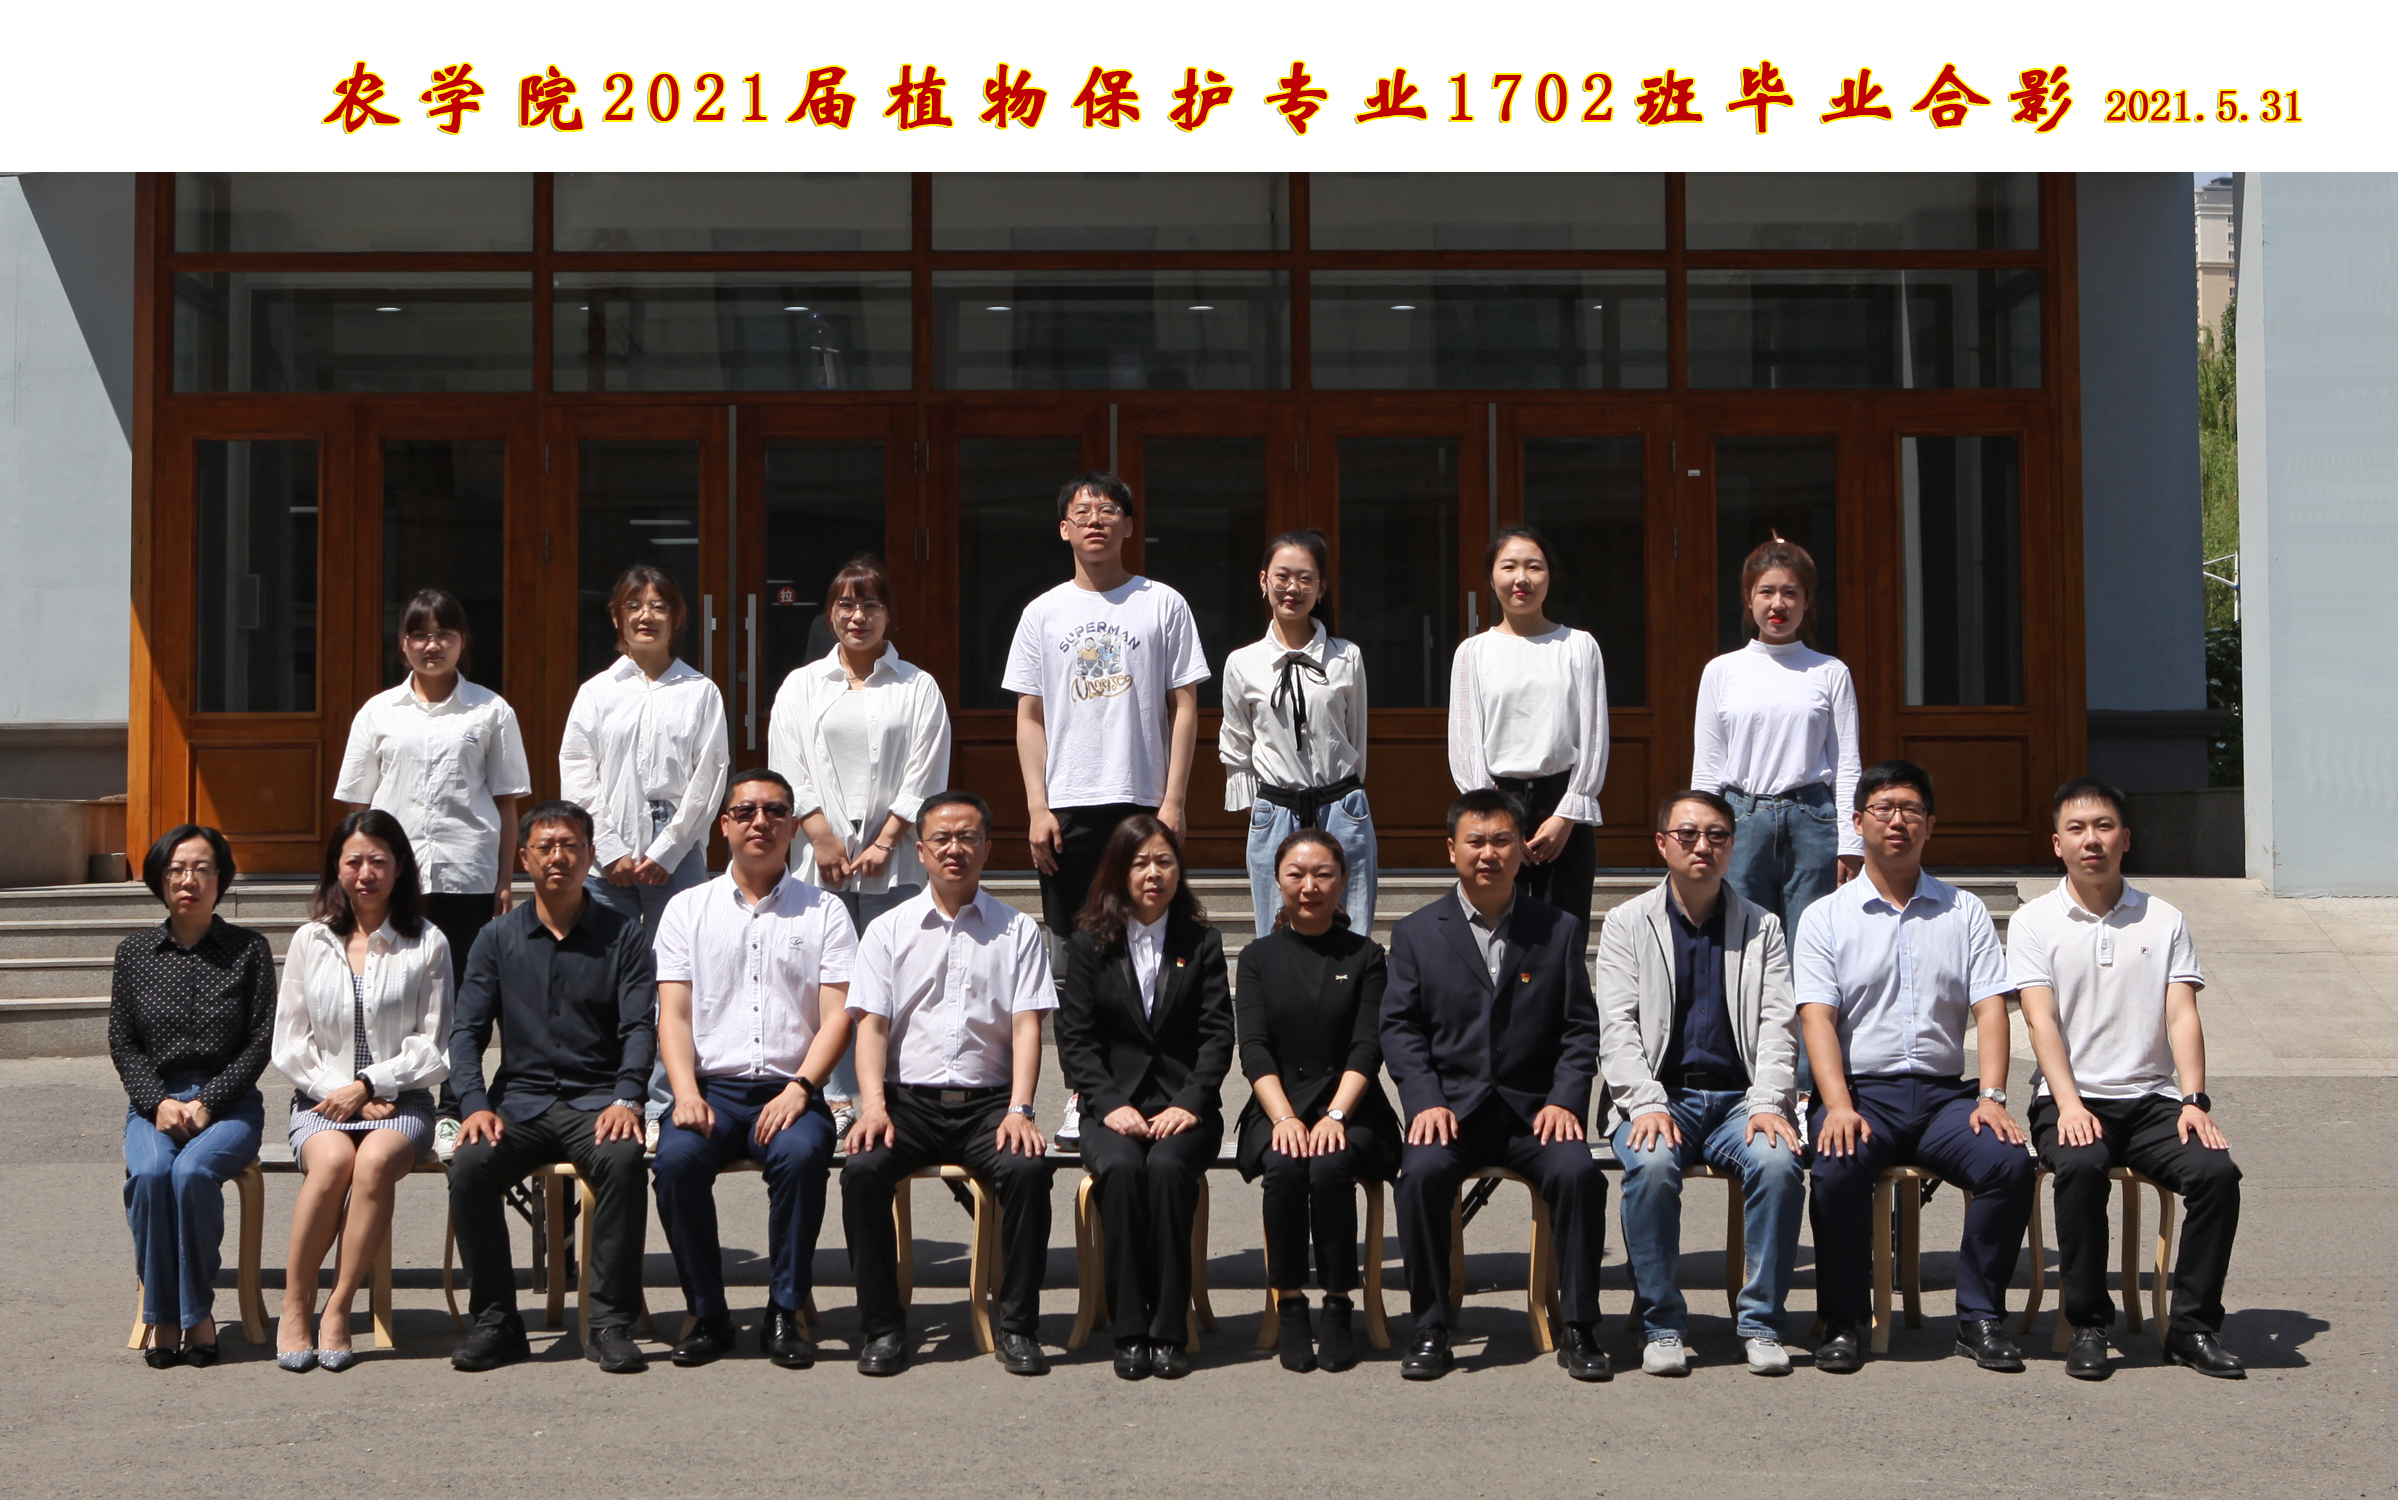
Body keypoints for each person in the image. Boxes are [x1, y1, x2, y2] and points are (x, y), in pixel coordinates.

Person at [1798, 759, 2034, 1375]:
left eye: (1910, 809)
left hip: (1943, 1100)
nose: (1896, 821)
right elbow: (1816, 1018)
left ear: (1931, 824)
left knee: (2009, 1163)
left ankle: (1979, 1318)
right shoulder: (1826, 916)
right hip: (1861, 1095)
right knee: (1836, 1167)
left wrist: (1992, 1096)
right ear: (1857, 823)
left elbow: (1991, 1009)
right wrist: (1837, 1104)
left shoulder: (1964, 911)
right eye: (1883, 809)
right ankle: (1844, 1319)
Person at [2011, 778, 2245, 1379]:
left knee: (2217, 1175)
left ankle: (2192, 1329)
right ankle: (2088, 1324)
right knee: (2081, 1166)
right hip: (2068, 1098)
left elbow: (2181, 1013)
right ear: (2057, 844)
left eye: (2104, 826)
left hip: (2151, 1100)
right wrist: (2068, 1104)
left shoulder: (2163, 918)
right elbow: (2040, 1021)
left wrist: (2194, 1100)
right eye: (2076, 829)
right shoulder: (2034, 921)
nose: (2091, 840)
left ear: (2126, 838)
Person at [1006, 470, 1209, 1145]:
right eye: (1082, 510)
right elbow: (1029, 715)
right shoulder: (1042, 613)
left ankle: (1155, 1084)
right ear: (1064, 528)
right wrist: (1037, 806)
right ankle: (1083, 1092)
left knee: (1149, 946)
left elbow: (1185, 706)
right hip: (1067, 805)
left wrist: (1174, 799)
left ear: (1128, 525)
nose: (1096, 519)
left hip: (1141, 800)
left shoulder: (1162, 604)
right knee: (1074, 957)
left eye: (1109, 509)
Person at [1381, 788, 1611, 1383]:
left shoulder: (1557, 929)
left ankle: (1580, 1328)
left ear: (1521, 849)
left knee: (1579, 1175)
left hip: (1535, 1113)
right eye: (1476, 842)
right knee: (1420, 1177)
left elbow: (1579, 1029)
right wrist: (1425, 1101)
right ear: (1451, 849)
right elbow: (1400, 1029)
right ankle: (1430, 1327)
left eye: (1502, 841)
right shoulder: (1416, 934)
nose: (1489, 854)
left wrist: (1565, 1100)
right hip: (1452, 1112)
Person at [840, 791, 1059, 1379]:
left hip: (989, 1107)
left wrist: (1021, 1109)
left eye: (967, 837)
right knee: (861, 1172)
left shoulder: (1018, 930)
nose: (954, 849)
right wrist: (872, 1107)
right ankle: (882, 1328)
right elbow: (871, 1027)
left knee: (1028, 1170)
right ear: (921, 851)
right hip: (906, 1104)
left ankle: (1018, 1326)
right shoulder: (887, 930)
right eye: (941, 839)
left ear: (987, 849)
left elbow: (1027, 1028)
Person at [1595, 790, 1805, 1378]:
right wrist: (1644, 1102)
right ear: (1662, 843)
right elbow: (1617, 1026)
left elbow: (1778, 1023)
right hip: (1661, 1096)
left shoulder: (1763, 926)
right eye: (1687, 834)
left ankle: (1760, 1322)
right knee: (1652, 1166)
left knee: (1779, 1164)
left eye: (1716, 835)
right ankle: (1661, 1324)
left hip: (1740, 1099)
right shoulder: (1626, 923)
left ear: (1732, 846)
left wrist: (1770, 1102)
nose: (1702, 846)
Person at [444, 800, 658, 1375]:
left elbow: (639, 1028)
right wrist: (474, 1105)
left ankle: (609, 1323)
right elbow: (466, 1033)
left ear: (590, 855)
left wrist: (627, 1097)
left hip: (597, 1101)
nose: (558, 857)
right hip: (521, 1103)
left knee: (623, 1160)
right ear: (524, 857)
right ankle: (497, 1323)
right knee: (470, 1166)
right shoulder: (496, 938)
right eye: (545, 847)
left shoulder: (624, 936)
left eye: (570, 846)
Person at [651, 769, 854, 1370]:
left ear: (793, 826)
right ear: (724, 826)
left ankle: (784, 1310)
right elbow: (673, 1015)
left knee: (801, 1156)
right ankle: (708, 1313)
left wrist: (801, 1089)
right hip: (709, 1091)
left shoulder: (826, 911)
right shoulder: (687, 909)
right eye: (745, 811)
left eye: (774, 811)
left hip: (792, 1090)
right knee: (675, 1162)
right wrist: (684, 1093)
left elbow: (838, 1017)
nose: (759, 822)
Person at [335, 587, 532, 1160]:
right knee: (400, 989)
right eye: (420, 634)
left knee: (466, 994)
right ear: (402, 644)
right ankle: (390, 1092)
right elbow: (358, 807)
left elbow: (507, 803)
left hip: (468, 875)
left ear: (462, 642)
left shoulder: (490, 711)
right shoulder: (378, 712)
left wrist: (505, 880)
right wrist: (352, 876)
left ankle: (455, 1104)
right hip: (395, 880)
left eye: (444, 634)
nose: (432, 645)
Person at [769, 554, 953, 1139]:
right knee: (825, 978)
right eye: (846, 605)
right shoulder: (801, 686)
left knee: (891, 976)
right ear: (829, 615)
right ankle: (834, 1092)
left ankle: (888, 1090)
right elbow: (787, 763)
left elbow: (927, 770)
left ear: (888, 615)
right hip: (818, 859)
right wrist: (820, 835)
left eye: (871, 605)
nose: (858, 617)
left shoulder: (917, 686)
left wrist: (888, 839)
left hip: (893, 862)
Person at [269, 809, 451, 1373]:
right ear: (336, 868)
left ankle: (339, 1306)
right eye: (354, 862)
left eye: (378, 861)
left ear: (400, 868)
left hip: (403, 1102)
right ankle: (294, 1305)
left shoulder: (427, 942)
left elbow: (434, 1044)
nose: (366, 873)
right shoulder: (311, 940)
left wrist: (371, 1083)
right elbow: (290, 1042)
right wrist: (343, 1092)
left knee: (372, 1162)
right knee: (331, 1163)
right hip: (320, 1100)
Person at [1055, 814, 1235, 1381]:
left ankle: (1169, 1328)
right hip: (1112, 1108)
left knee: (1166, 1169)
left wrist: (1190, 1102)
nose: (1153, 874)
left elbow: (1217, 1037)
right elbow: (1077, 1040)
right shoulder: (1089, 944)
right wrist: (1111, 1105)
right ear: (1119, 871)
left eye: (1164, 861)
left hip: (1186, 1110)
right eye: (1140, 863)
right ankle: (1130, 1329)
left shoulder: (1202, 943)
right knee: (1123, 1169)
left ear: (1179, 871)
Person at [560, 565, 729, 1144]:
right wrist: (606, 848)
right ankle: (609, 1095)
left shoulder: (700, 692)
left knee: (676, 977)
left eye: (658, 605)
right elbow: (577, 771)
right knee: (602, 973)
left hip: (676, 850)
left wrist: (668, 848)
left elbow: (710, 777)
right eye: (634, 605)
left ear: (676, 618)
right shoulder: (596, 692)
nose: (646, 615)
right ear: (617, 617)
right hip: (606, 852)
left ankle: (662, 1101)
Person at [1234, 827, 1400, 1373]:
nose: (1309, 886)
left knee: (1331, 1164)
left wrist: (1335, 1114)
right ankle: (1290, 1305)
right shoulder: (1256, 957)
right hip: (1277, 1103)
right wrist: (1283, 1117)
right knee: (1284, 1166)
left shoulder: (1367, 955)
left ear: (1343, 880)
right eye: (1297, 875)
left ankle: (1337, 1304)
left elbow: (1367, 1046)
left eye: (1323, 874)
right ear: (1277, 880)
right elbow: (1254, 1049)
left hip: (1350, 1105)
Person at [111, 824, 274, 1369]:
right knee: (152, 1174)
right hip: (154, 1102)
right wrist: (158, 1101)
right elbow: (123, 1041)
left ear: (220, 879)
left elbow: (261, 1041)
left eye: (203, 869)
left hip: (229, 1104)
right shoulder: (134, 953)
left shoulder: (249, 950)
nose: (189, 880)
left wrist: (209, 1101)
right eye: (177, 869)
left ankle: (195, 1314)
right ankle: (161, 1316)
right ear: (160, 879)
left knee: (192, 1173)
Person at [1690, 535, 1862, 950]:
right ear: (1749, 599)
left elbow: (1847, 764)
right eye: (1766, 591)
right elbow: (1708, 766)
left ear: (1807, 601)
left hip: (1812, 821)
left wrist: (1851, 841)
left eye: (1791, 592)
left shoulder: (1830, 672)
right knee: (1742, 944)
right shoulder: (1721, 671)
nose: (1778, 604)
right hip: (1741, 820)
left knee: (1812, 945)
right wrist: (1699, 833)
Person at [1447, 527, 1609, 948]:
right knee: (1502, 937)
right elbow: (1465, 742)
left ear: (1549, 576)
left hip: (1563, 806)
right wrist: (1500, 822)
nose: (1522, 578)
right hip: (1497, 805)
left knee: (1565, 938)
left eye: (1533, 567)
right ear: (1491, 577)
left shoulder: (1579, 647)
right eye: (1509, 567)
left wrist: (1566, 815)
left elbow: (1594, 738)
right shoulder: (1473, 653)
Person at [1219, 530, 1375, 938]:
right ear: (1264, 581)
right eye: (1283, 576)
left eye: (1306, 579)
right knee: (1275, 939)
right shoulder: (1242, 663)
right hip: (1275, 809)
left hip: (1341, 806)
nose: (1293, 588)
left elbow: (1356, 737)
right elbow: (1237, 745)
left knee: (1353, 932)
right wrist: (1259, 813)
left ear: (1321, 588)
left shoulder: (1347, 656)